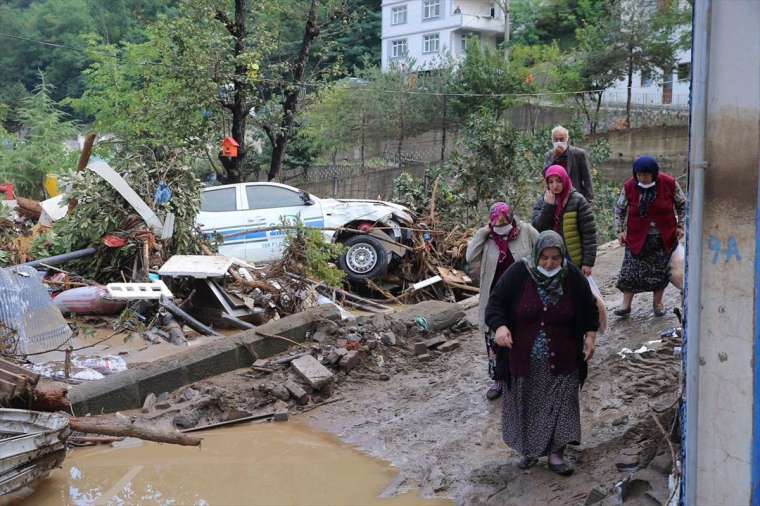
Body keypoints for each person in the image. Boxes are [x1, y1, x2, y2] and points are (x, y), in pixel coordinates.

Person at [485, 230, 599, 475]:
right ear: (536, 254)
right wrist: (501, 326)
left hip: (564, 357)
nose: (549, 263)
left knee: (562, 405)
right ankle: (530, 449)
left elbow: (590, 308)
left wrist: (590, 335)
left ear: (562, 256)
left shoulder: (572, 276)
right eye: (544, 257)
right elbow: (495, 304)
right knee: (527, 406)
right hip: (524, 359)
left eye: (555, 258)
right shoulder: (518, 273)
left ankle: (556, 454)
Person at [466, 202, 539, 401]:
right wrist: (483, 233)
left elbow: (543, 248)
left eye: (504, 225)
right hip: (495, 298)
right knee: (494, 341)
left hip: (523, 295)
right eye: (497, 226)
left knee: (524, 337)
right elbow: (470, 256)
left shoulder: (525, 231)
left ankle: (525, 379)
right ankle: (498, 380)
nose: (501, 230)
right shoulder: (487, 237)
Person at [613, 156, 686, 317]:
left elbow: (682, 204)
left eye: (646, 175)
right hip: (636, 236)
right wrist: (619, 231)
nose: (642, 178)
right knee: (630, 271)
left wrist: (680, 225)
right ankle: (626, 305)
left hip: (662, 236)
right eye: (639, 175)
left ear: (654, 174)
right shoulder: (629, 186)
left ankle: (658, 303)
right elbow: (619, 209)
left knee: (659, 272)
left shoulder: (669, 183)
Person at [532, 165, 597, 276]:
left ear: (565, 180)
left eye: (558, 181)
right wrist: (549, 206)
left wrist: (587, 263)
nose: (555, 186)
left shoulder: (578, 200)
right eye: (551, 182)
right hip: (550, 258)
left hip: (573, 258)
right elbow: (538, 228)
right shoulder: (543, 200)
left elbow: (589, 234)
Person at [544, 125, 594, 201]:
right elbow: (545, 174)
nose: (558, 142)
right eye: (556, 140)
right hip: (556, 198)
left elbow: (587, 178)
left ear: (567, 139)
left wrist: (588, 199)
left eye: (561, 139)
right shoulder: (549, 155)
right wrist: (555, 157)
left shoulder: (578, 154)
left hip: (574, 196)